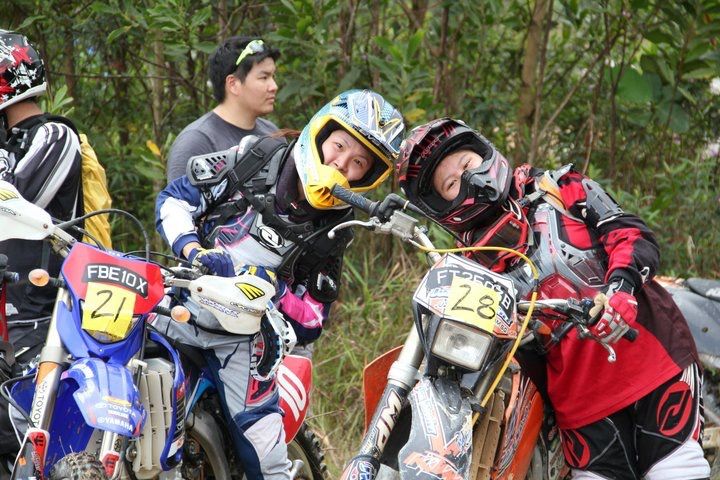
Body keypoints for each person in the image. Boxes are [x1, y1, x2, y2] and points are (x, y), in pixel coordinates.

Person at [397, 117, 710, 480]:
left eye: (467, 165)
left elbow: (628, 233)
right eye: (451, 183)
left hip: (654, 363)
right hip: (581, 404)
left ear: (483, 154)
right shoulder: (470, 265)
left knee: (677, 473)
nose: (468, 180)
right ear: (441, 205)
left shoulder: (557, 188)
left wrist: (621, 290)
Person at [155, 89, 405, 479]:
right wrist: (192, 250)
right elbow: (175, 200)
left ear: (367, 177)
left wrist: (270, 285)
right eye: (338, 147)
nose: (340, 165)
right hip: (180, 300)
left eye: (357, 163)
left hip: (244, 339)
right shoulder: (253, 157)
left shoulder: (334, 230)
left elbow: (313, 319)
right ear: (320, 134)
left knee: (266, 457)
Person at [0, 29, 83, 469]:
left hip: (42, 312)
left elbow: (16, 197)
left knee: (34, 437)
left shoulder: (54, 136)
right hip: (8, 314)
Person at [165, 36, 280, 183]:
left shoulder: (273, 134)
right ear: (233, 84)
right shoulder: (196, 143)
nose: (274, 86)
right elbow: (177, 204)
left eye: (273, 76)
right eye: (264, 78)